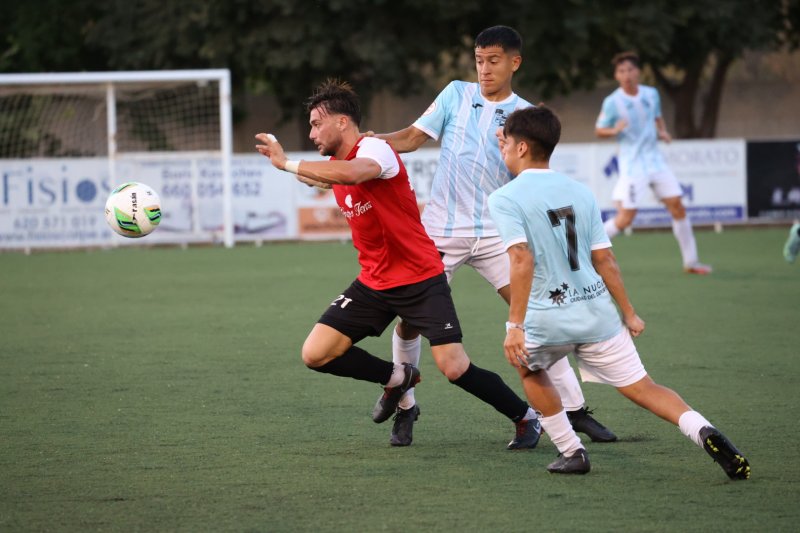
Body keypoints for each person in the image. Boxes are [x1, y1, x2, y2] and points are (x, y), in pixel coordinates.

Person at [255, 79, 541, 448]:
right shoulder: (336, 163)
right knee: (315, 353)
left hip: (420, 278)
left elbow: (354, 173)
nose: (311, 134)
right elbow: (328, 177)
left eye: (315, 124)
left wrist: (287, 162)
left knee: (454, 367)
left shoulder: (375, 149)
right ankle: (397, 378)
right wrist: (291, 168)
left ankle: (525, 417)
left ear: (342, 122)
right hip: (374, 282)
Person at [370, 25, 616, 447]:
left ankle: (574, 411)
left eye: (494, 61)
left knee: (537, 315)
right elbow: (411, 138)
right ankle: (406, 406)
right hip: (441, 233)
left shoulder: (525, 116)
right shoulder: (455, 94)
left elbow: (530, 174)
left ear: (514, 63)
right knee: (408, 321)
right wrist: (370, 143)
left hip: (495, 233)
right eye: (479, 60)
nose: (484, 69)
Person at [488, 105, 750, 479]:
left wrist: (515, 325)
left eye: (506, 143)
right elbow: (605, 259)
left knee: (529, 370)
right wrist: (628, 312)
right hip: (598, 314)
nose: (502, 149)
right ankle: (703, 429)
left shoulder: (504, 198)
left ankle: (572, 451)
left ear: (522, 147)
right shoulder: (580, 191)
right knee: (645, 388)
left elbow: (520, 258)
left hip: (547, 319)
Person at [595, 51, 712, 275]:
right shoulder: (612, 102)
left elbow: (657, 117)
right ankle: (585, 247)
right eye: (621, 71)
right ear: (616, 75)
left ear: (638, 72)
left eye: (630, 70)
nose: (626, 74)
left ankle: (691, 262)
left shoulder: (651, 94)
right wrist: (614, 130)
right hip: (633, 166)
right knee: (625, 219)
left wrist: (663, 131)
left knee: (677, 206)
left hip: (656, 162)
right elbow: (599, 130)